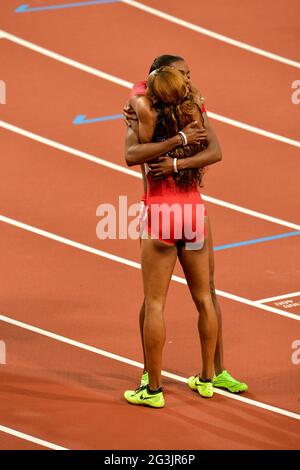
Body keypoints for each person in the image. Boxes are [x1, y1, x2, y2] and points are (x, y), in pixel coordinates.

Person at [124, 55, 248, 403]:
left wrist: (174, 154)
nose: (189, 78)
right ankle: (207, 379)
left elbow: (132, 154)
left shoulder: (142, 109)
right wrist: (181, 142)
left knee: (155, 303)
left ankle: (153, 387)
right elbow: (214, 149)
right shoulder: (194, 110)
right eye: (184, 74)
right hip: (193, 210)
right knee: (205, 297)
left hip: (161, 212)